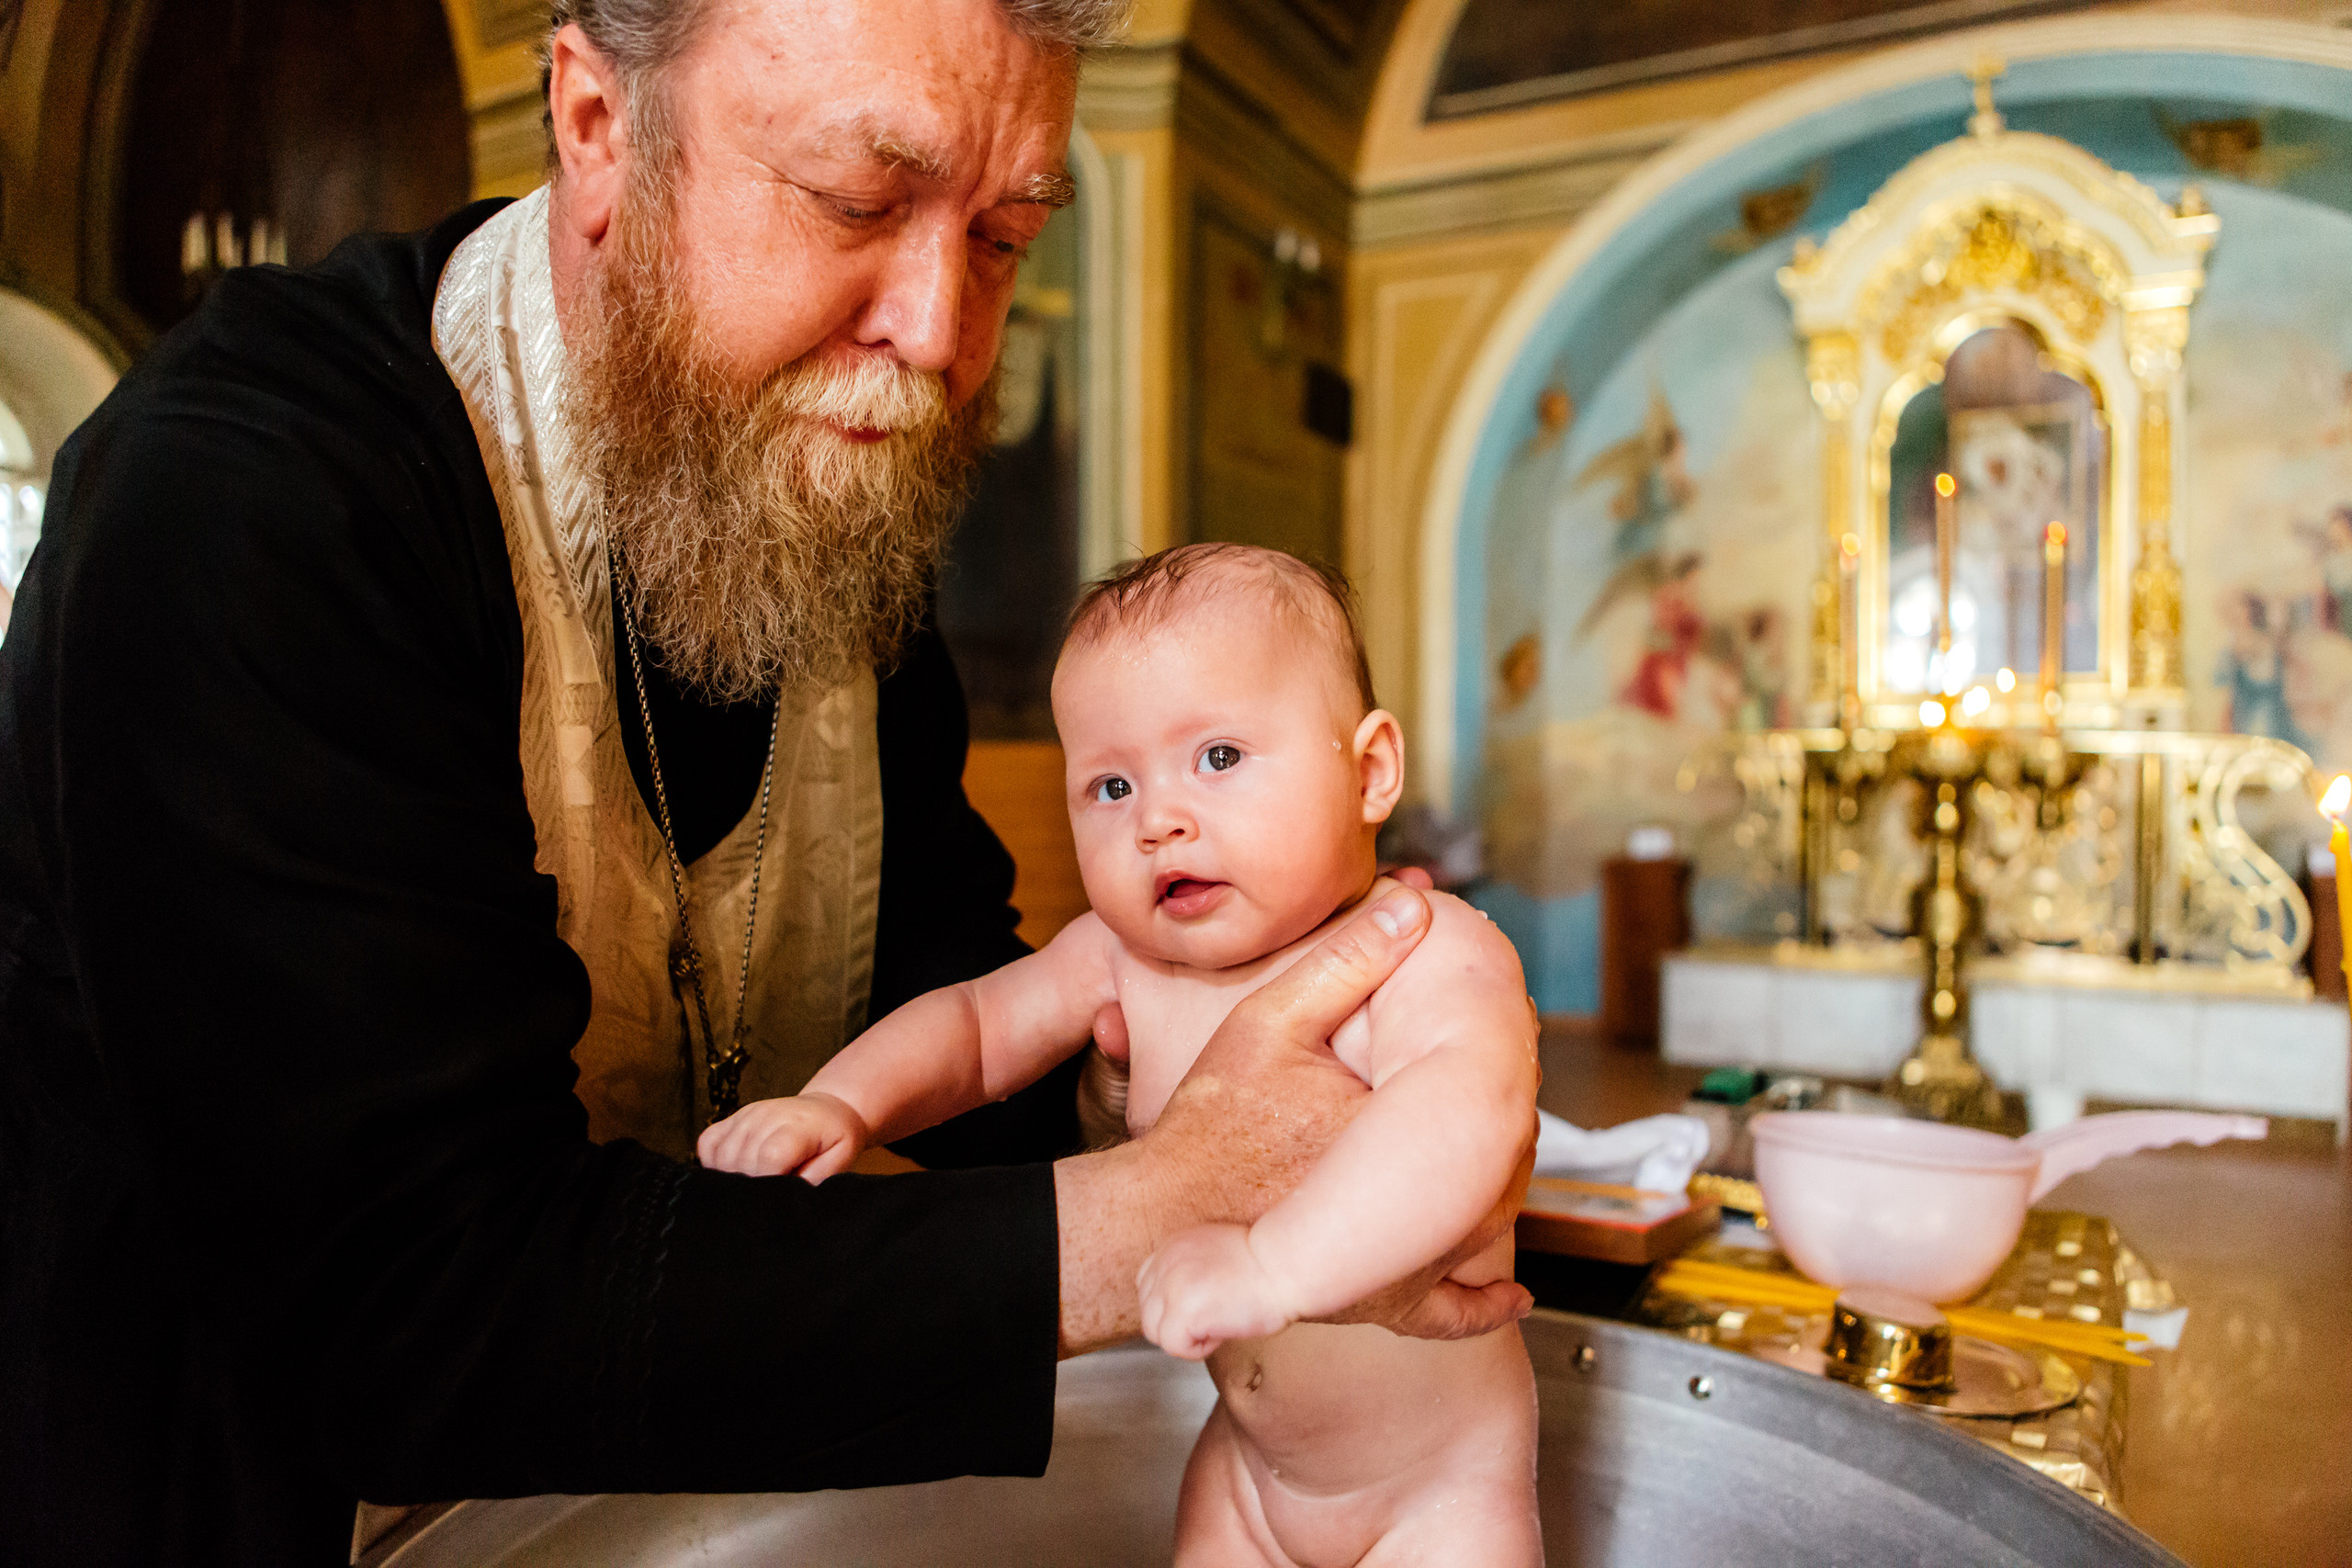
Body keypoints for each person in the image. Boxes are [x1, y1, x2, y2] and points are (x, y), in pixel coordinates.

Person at [0, 3, 1531, 1563]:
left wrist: (1238, 1073)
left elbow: (963, 1062)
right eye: (859, 203)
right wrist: (1174, 1212)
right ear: (598, 124)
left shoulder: (820, 520)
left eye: (1006, 237)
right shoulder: (246, 495)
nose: (939, 333)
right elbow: (401, 1302)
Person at [703, 544, 1544, 1565]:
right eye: (1108, 785)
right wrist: (843, 1106)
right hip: (1250, 1473)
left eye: (1219, 758)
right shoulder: (1123, 958)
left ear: (1368, 771)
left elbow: (1461, 1114)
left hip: (1436, 1490)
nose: (1159, 819)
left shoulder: (1421, 945)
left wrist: (1275, 1266)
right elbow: (974, 1027)